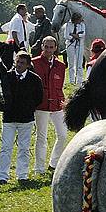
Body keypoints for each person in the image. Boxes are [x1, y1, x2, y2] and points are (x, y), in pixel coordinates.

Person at [0, 51, 44, 184]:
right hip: (9, 118)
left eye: (22, 63)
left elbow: (39, 97)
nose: (19, 65)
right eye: (17, 62)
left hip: (26, 119)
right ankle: (2, 176)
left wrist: (28, 108)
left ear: (28, 65)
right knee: (6, 147)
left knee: (24, 147)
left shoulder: (34, 79)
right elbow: (1, 95)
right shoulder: (7, 77)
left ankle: (22, 174)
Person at [32, 36, 68, 175]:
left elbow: (60, 86)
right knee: (41, 137)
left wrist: (63, 101)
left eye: (51, 47)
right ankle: (39, 168)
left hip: (57, 104)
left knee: (63, 134)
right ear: (42, 46)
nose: (48, 50)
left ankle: (53, 163)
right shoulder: (34, 63)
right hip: (41, 104)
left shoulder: (60, 66)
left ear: (55, 48)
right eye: (46, 47)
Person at [63, 11, 86, 85]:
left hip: (79, 45)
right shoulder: (68, 25)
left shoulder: (82, 25)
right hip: (70, 45)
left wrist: (75, 35)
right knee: (71, 63)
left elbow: (83, 34)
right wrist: (73, 36)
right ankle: (71, 80)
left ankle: (79, 80)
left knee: (79, 64)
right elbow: (66, 36)